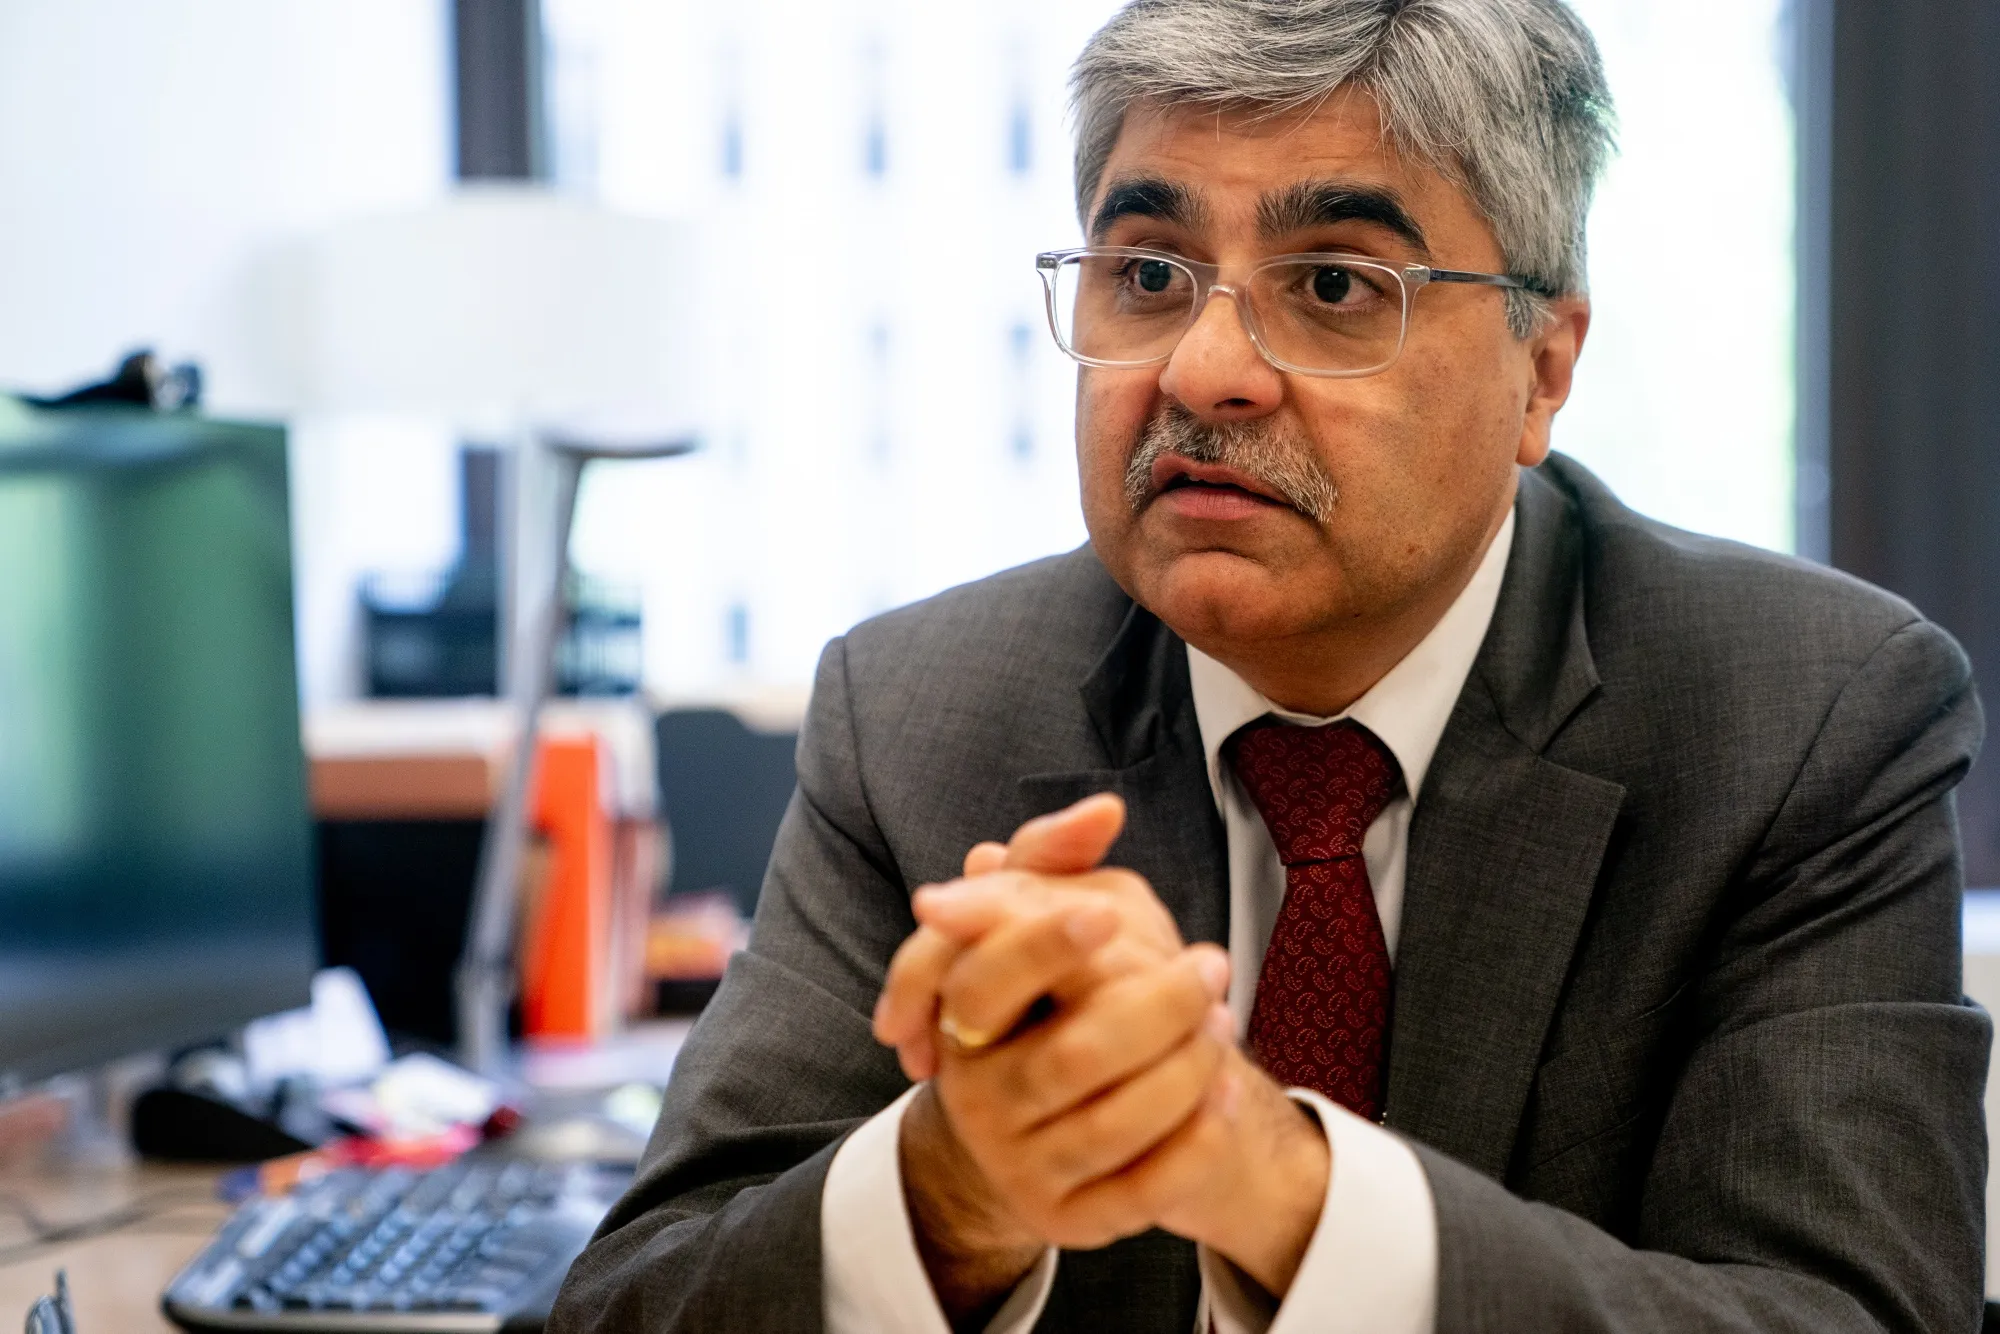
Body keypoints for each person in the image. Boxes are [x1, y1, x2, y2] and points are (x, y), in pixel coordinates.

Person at [550, 1, 1989, 1330]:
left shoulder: (1804, 710)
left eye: (1333, 284)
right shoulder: (922, 710)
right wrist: (950, 1182)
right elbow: (637, 1295)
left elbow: (1845, 1311)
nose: (1201, 370)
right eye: (1151, 272)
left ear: (1542, 369)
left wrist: (1275, 1187)